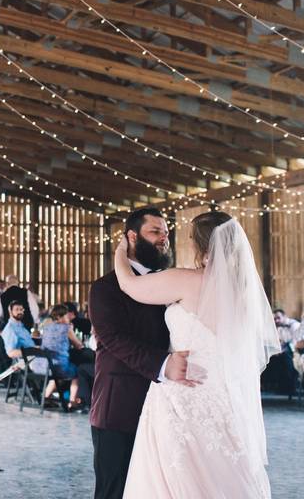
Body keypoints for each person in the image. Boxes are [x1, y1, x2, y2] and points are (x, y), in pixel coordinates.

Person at [112, 210, 280, 498]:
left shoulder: (186, 280)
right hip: (224, 402)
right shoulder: (243, 294)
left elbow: (129, 285)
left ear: (202, 245)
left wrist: (119, 251)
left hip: (182, 400)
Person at [90, 206, 188, 499]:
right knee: (114, 490)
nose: (164, 239)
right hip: (120, 408)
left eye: (166, 233)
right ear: (132, 237)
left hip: (167, 407)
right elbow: (113, 339)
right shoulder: (105, 288)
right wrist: (164, 364)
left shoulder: (173, 282)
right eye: (155, 231)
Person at [41, 304, 93, 410]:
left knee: (57, 371)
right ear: (60, 317)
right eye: (66, 316)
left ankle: (45, 397)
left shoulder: (47, 327)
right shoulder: (66, 328)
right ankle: (72, 401)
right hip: (58, 366)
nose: (68, 318)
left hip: (44, 364)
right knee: (77, 371)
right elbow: (79, 345)